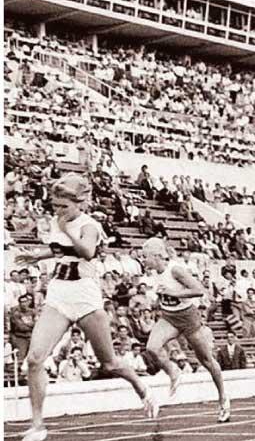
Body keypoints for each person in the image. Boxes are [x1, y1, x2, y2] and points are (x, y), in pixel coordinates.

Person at [15, 174, 159, 441]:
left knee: (110, 363)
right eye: (55, 206)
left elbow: (87, 252)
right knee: (34, 359)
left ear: (78, 203)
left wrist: (67, 228)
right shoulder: (60, 223)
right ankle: (37, 425)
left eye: (63, 206)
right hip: (59, 293)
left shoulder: (88, 225)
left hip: (85, 295)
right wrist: (38, 255)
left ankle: (141, 385)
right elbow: (61, 250)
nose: (58, 211)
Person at [140, 237, 231, 423]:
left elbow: (199, 290)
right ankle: (173, 372)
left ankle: (223, 398)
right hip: (169, 317)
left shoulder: (175, 269)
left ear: (157, 256)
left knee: (206, 360)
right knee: (151, 347)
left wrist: (173, 293)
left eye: (145, 256)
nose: (143, 260)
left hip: (188, 318)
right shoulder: (154, 272)